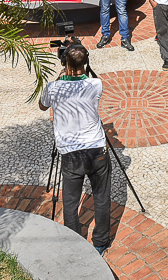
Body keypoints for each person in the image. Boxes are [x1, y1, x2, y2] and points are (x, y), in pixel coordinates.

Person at [38, 44, 112, 256]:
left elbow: (43, 106)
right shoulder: (96, 84)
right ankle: (100, 242)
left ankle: (75, 243)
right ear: (86, 63)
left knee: (70, 202)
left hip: (71, 155)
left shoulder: (53, 88)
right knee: (102, 198)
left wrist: (61, 78)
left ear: (64, 63)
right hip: (97, 150)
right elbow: (86, 79)